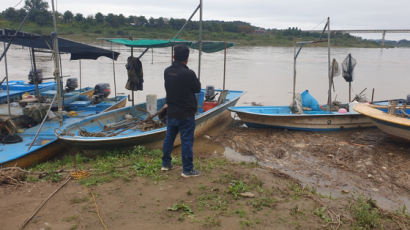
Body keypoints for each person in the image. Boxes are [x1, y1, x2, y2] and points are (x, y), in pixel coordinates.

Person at [161, 45, 201, 178]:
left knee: (169, 138)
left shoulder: (167, 71)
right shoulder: (189, 73)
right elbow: (197, 89)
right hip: (186, 113)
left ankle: (166, 164)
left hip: (171, 111)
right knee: (187, 141)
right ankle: (187, 170)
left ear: (173, 57)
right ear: (187, 58)